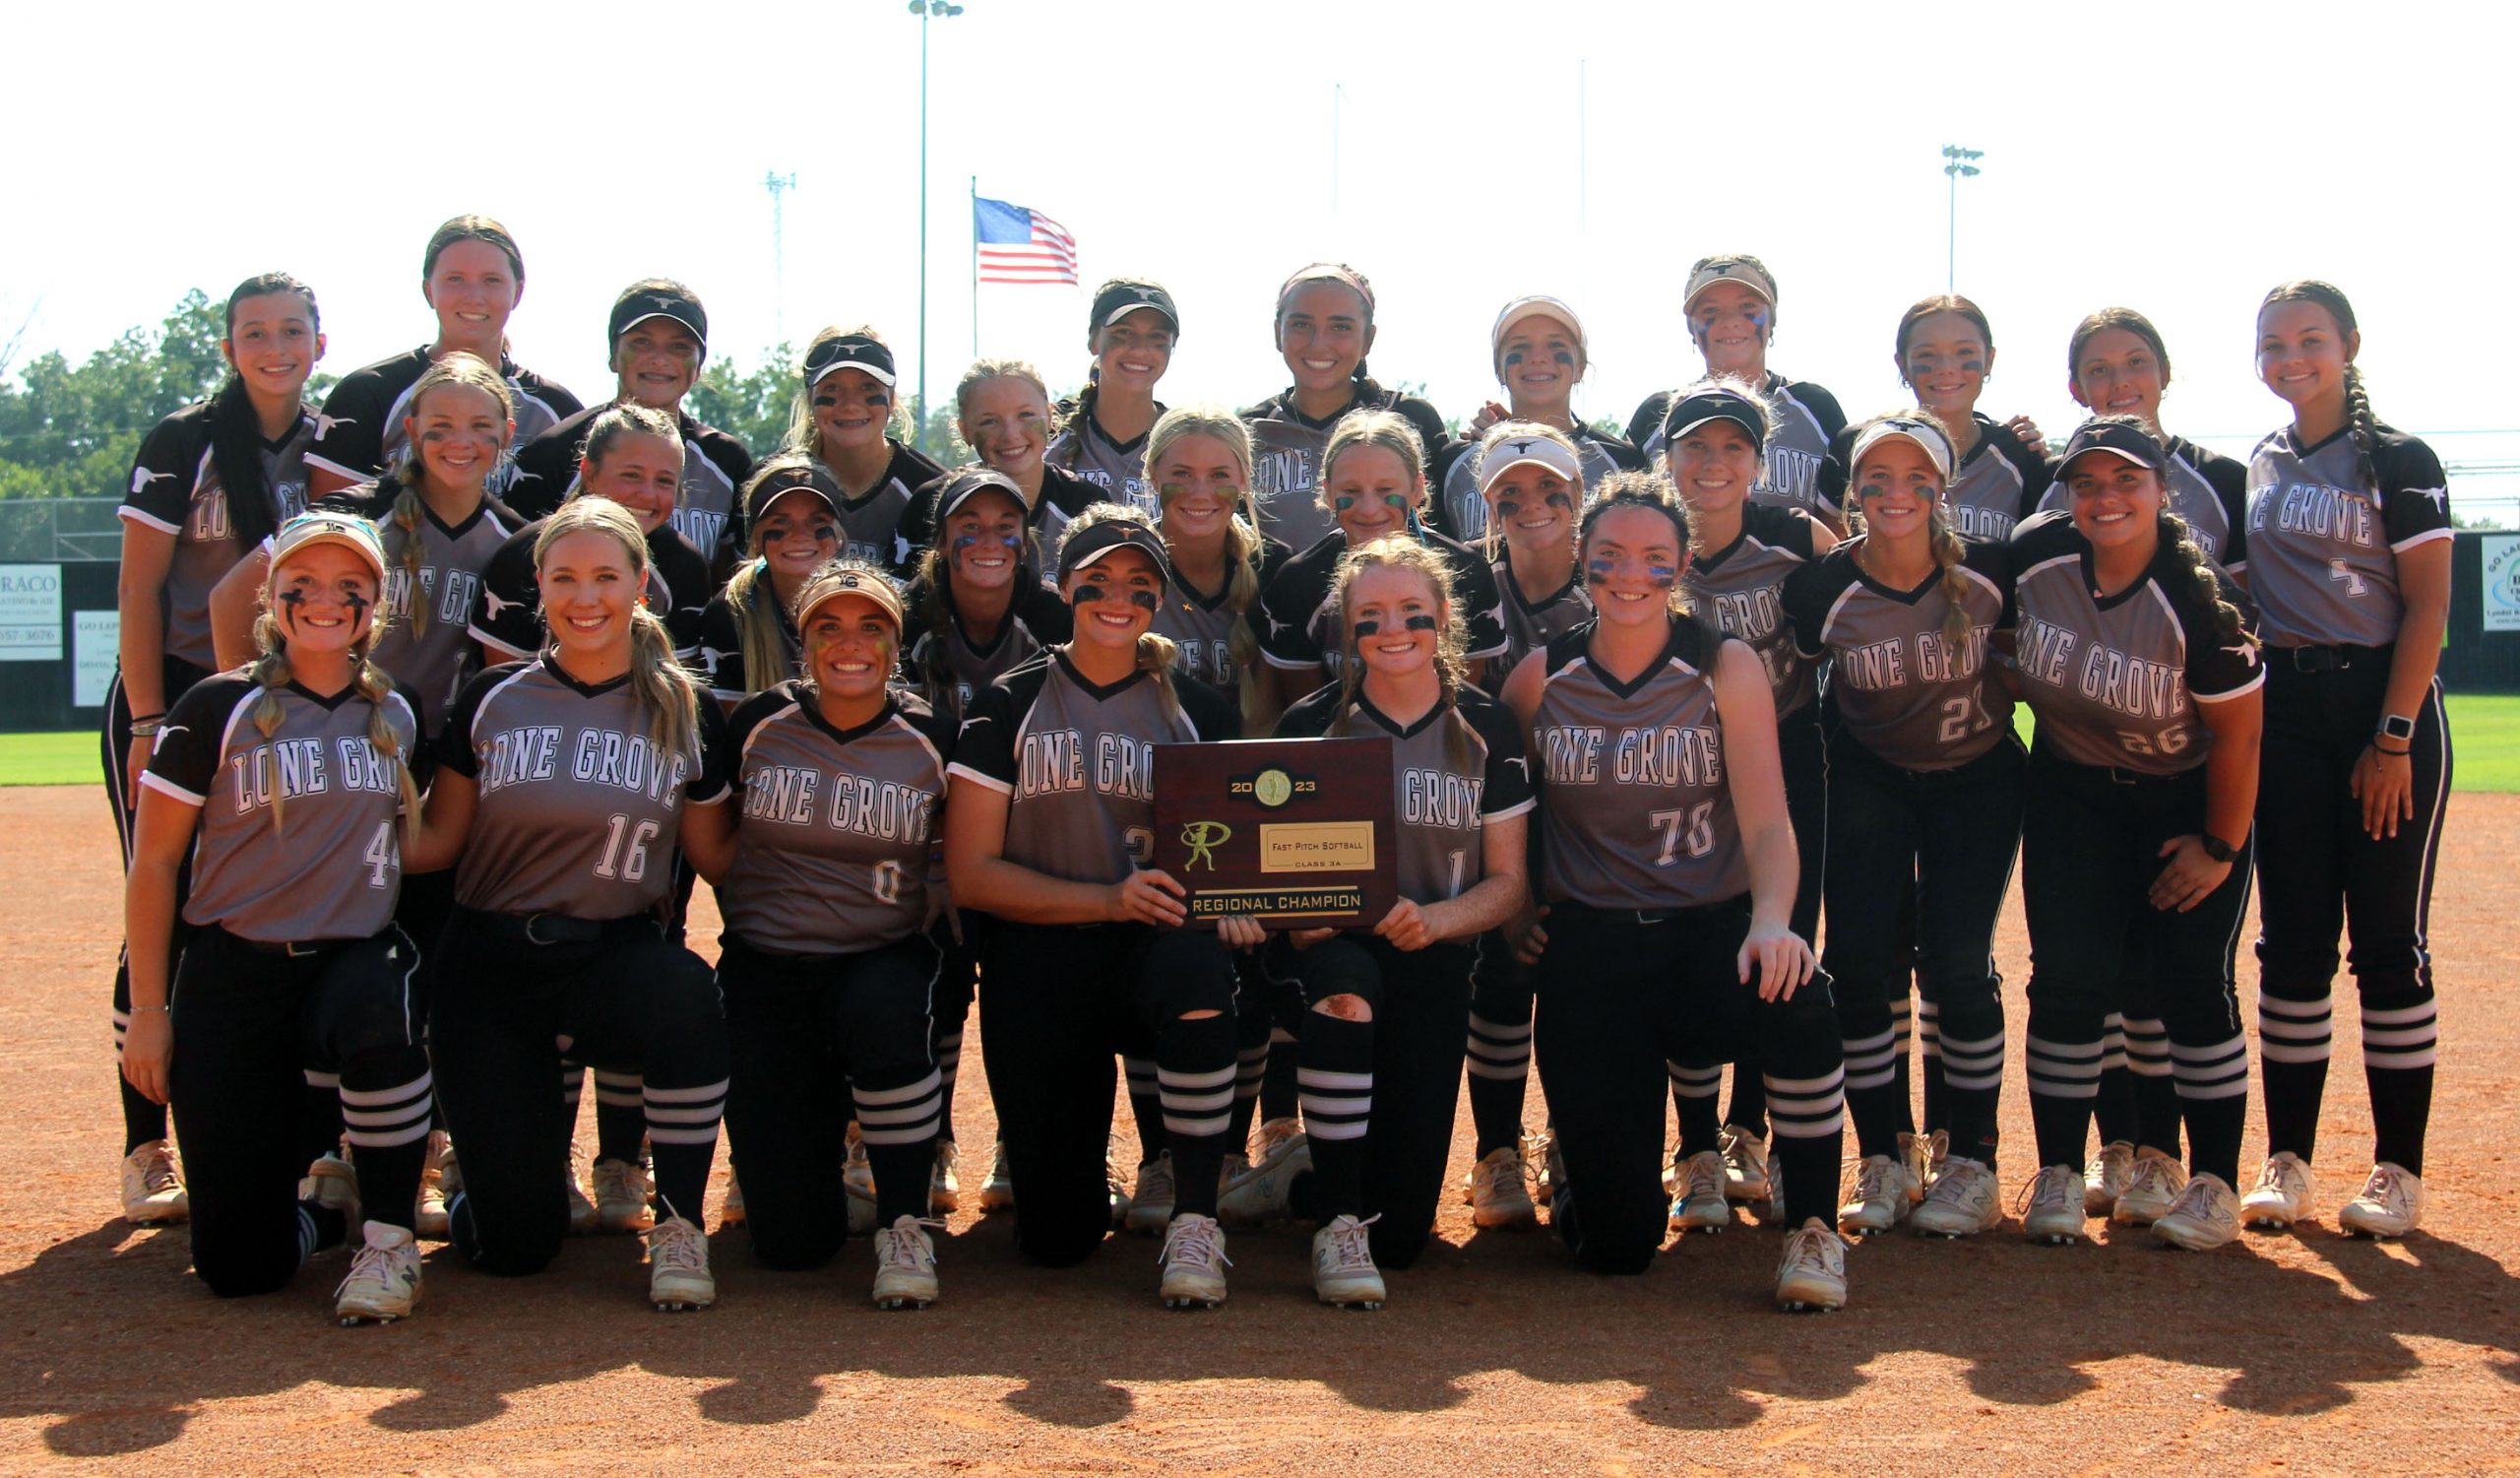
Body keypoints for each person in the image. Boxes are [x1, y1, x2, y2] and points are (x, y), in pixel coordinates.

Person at [1501, 474, 1848, 1311]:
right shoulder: (1540, 679)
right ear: (1582, 559)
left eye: (1656, 557)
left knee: (1801, 990)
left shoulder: (1722, 665)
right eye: (1611, 555)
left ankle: (1813, 1227)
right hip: (1592, 949)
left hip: (1706, 934)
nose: (1631, 574)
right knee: (1618, 1250)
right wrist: (1516, 909)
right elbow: (1505, 815)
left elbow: (1768, 822)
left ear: (1683, 564)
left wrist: (1772, 921)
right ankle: (1597, 1171)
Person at [410, 497, 735, 1309]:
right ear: (539, 589)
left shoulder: (686, 710)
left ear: (640, 585)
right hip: (489, 965)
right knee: (515, 1248)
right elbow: (435, 846)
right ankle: (481, 1182)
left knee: (689, 995)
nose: (584, 596)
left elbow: (716, 858)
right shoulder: (490, 698)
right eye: (564, 578)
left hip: (611, 956)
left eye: (604, 576)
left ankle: (679, 1222)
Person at [121, 512, 434, 1322]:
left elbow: (421, 847)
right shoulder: (215, 705)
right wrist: (150, 1014)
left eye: (350, 587)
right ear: (272, 595)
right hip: (236, 975)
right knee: (238, 1268)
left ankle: (390, 1238)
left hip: (347, 968)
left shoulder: (398, 713)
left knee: (381, 1000)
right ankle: (330, 1210)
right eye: (306, 584)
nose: (326, 601)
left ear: (376, 602)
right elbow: (154, 862)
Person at [941, 506, 1247, 1308]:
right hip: (1043, 955)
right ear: (1063, 585)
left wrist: (1240, 905)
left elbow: (1231, 857)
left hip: (1156, 946)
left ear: (1161, 599)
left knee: (1196, 970)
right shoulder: (1005, 704)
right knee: (1056, 1242)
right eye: (1097, 582)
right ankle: (1079, 1171)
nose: (1119, 599)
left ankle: (1194, 1212)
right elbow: (971, 874)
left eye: (1140, 585)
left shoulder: (1200, 709)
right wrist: (1106, 897)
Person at [2228, 281, 2453, 1239]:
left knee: (2388, 946)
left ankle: (2396, 1171)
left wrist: (2391, 736)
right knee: (2291, 947)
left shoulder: (2396, 456)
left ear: (2348, 345)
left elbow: (2430, 606)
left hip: (2377, 708)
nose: (2291, 358)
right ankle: (2288, 1162)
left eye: (2309, 340)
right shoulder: (2262, 460)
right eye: (2272, 344)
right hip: (2286, 713)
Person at [2009, 418, 2265, 1252]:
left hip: (2180, 807)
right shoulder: (2037, 556)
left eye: (2125, 479)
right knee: (2068, 981)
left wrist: (2219, 847)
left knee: (2190, 984)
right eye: (2087, 482)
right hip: (2072, 795)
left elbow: (2240, 740)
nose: (2105, 497)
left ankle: (2213, 1180)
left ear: (2163, 490)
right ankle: (2057, 1168)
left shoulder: (2202, 607)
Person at [108, 272, 324, 1223]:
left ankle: (287, 1134)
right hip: (183, 700)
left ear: (320, 341)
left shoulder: (332, 444)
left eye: (290, 331)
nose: (273, 347)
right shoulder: (183, 439)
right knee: (165, 902)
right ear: (229, 346)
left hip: (281, 703)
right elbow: (140, 588)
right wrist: (153, 717)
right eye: (253, 332)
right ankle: (145, 1143)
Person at [1271, 538, 1533, 1307]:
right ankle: (1338, 1220)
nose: (1393, 629)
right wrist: (1296, 918)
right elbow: (1274, 874)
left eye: (1411, 612)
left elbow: (1509, 882)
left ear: (1443, 616)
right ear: (1345, 628)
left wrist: (1443, 917)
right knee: (1345, 985)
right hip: (1337, 950)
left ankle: (1311, 1180)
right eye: (1370, 615)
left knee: (1406, 1237)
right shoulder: (1311, 722)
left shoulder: (1488, 725)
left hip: (1434, 951)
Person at [1783, 412, 2020, 1240]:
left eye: (1914, 474)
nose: (1894, 491)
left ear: (1942, 487)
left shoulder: (1992, 573)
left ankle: (1974, 1161)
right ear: (1852, 489)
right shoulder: (1820, 587)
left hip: (1977, 780)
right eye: (1874, 476)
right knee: (1857, 962)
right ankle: (1883, 1152)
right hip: (1869, 778)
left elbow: (2028, 664)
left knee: (1956, 963)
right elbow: (1797, 690)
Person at [711, 562, 957, 1308]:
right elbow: (710, 844)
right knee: (790, 1247)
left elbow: (954, 869)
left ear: (896, 642)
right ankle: (815, 1170)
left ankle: (904, 1218)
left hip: (879, 957)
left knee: (886, 1009)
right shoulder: (758, 722)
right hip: (769, 965)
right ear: (803, 641)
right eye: (829, 627)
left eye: (871, 627)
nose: (850, 644)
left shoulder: (930, 739)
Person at [1666, 383, 1838, 1231]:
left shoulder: (1798, 538)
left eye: (1732, 447)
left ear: (1758, 463)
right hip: (1683, 770)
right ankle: (1697, 1145)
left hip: (1788, 756)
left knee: (1778, 935)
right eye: (1695, 447)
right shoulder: (1649, 544)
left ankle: (1747, 1132)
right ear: (1666, 459)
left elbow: (1858, 601)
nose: (1713, 463)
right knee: (1703, 934)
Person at [901, 466, 1076, 1218]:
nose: (989, 539)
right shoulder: (908, 620)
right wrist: (939, 861)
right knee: (932, 972)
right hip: (919, 825)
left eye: (1008, 524)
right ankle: (933, 1138)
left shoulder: (1053, 617)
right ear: (941, 543)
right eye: (967, 525)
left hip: (1032, 830)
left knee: (1027, 977)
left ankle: (1020, 1136)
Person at [1131, 408, 1291, 1224]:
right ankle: (1161, 1156)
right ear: (1151, 475)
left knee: (1253, 963)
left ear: (1245, 480)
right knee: (1165, 964)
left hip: (1253, 811)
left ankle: (1226, 1150)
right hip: (1144, 810)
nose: (1201, 488)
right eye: (1181, 471)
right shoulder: (1128, 569)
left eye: (1221, 472)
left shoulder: (1274, 578)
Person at [1452, 421, 1595, 1228]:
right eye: (1511, 493)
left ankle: (1577, 1138)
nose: (1532, 505)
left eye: (1551, 490)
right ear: (1489, 506)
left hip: (1595, 814)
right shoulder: (1471, 587)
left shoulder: (1609, 582)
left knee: (1579, 976)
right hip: (1494, 812)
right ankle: (1497, 1153)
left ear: (1579, 498)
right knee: (1501, 971)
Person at [306, 216, 580, 499]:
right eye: (455, 279)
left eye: (492, 280)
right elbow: (329, 526)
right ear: (428, 290)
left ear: (518, 292)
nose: (474, 296)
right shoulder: (368, 394)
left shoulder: (556, 410)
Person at [1253, 410, 1507, 714]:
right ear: (1328, 493)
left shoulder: (1464, 571)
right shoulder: (1299, 581)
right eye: (1351, 491)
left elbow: (1464, 703)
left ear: (1417, 489)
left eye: (1386, 490)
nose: (1369, 508)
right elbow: (1311, 716)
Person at [509, 281, 756, 569]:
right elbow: (521, 567)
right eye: (641, 342)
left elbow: (734, 578)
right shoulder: (554, 451)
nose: (659, 360)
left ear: (699, 366)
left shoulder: (728, 461)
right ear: (613, 355)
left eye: (679, 347)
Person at [1624, 256, 1847, 531]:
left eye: (1747, 308)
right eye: (1711, 312)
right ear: (1691, 328)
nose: (1730, 322)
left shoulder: (1815, 407)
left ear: (1772, 318)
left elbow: (1839, 528)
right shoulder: (1658, 414)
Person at [1243, 264, 1450, 553]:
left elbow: (1444, 536)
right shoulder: (1249, 432)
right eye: (1301, 324)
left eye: (1340, 327)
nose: (1319, 343)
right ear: (1278, 333)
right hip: (1276, 599)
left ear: (1368, 339)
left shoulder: (1409, 418)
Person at [2036, 308, 2248, 561]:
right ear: (2077, 390)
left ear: (2165, 373)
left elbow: (2239, 593)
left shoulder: (2225, 479)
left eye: (2136, 362)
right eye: (2098, 370)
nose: (2120, 381)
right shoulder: (2043, 480)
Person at [1430, 295, 1643, 543]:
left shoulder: (1623, 460)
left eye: (1556, 346)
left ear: (1581, 366)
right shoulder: (1455, 463)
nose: (1537, 358)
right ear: (1498, 369)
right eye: (1519, 348)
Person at [900, 359, 1102, 571]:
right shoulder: (933, 503)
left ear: (1050, 416)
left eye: (1026, 415)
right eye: (989, 421)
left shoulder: (1086, 505)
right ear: (964, 430)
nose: (1011, 435)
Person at [778, 327, 946, 574]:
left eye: (868, 387)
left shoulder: (935, 491)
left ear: (891, 400)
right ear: (810, 399)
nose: (850, 405)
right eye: (832, 388)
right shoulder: (775, 485)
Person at [1883, 295, 2051, 542]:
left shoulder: (2019, 455)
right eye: (1926, 354)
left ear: (1989, 360)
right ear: (1902, 365)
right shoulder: (1869, 451)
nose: (1946, 367)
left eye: (1964, 351)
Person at [696, 458, 844, 707]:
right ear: (754, 538)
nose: (799, 535)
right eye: (780, 523)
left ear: (839, 535)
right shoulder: (731, 611)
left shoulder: (866, 602)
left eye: (817, 521)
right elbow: (725, 722)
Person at [1045, 280, 1180, 510]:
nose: (1140, 349)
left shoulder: (1185, 439)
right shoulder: (1049, 434)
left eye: (1157, 337)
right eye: (1123, 333)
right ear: (1093, 340)